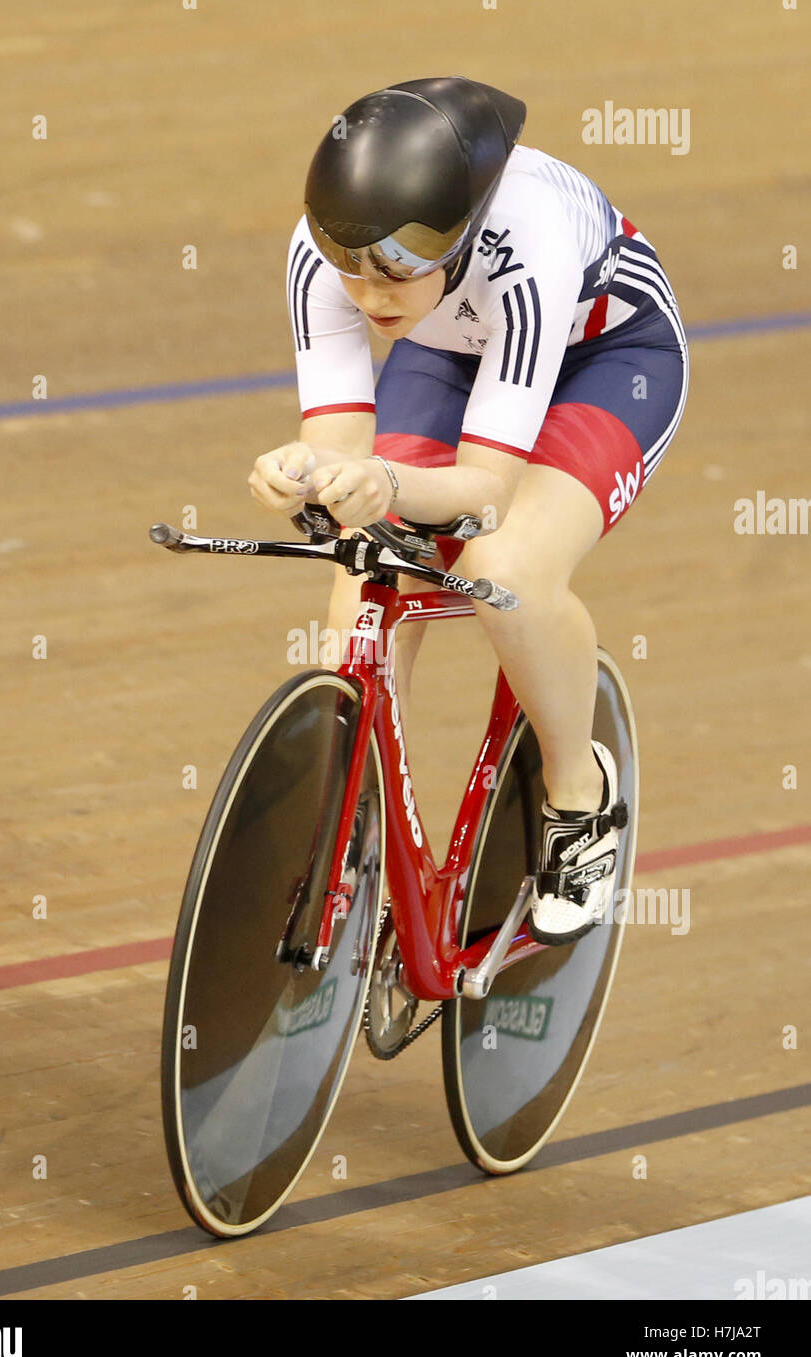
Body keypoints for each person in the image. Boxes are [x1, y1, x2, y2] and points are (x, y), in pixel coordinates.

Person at [248, 76, 688, 945]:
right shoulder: (327, 252)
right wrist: (308, 472)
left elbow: (485, 495)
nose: (370, 293)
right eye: (351, 267)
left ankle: (578, 795)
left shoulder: (531, 248)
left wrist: (389, 486)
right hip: (448, 346)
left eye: (397, 267)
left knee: (505, 569)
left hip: (604, 362)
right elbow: (339, 446)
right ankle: (362, 822)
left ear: (468, 233)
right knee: (361, 566)